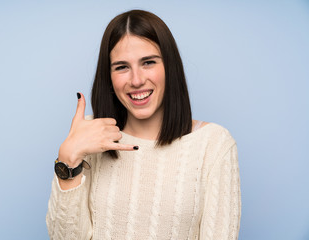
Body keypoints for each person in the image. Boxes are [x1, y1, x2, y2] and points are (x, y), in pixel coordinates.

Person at [46, 9, 241, 240]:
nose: (136, 80)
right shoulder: (89, 137)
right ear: (108, 76)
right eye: (121, 67)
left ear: (170, 67)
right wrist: (68, 159)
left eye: (148, 62)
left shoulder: (213, 144)